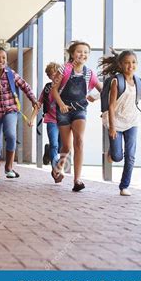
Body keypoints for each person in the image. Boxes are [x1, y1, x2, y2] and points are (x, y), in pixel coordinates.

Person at [99, 49, 141, 196]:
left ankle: (124, 186)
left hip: (132, 121)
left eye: (134, 62)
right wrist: (111, 127)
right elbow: (111, 106)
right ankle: (111, 154)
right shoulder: (117, 81)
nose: (131, 65)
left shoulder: (139, 82)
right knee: (117, 157)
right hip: (116, 122)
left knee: (130, 155)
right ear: (120, 64)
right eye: (127, 63)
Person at [0, 46, 39, 184]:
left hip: (10, 111)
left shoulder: (11, 74)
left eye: (3, 58)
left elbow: (25, 86)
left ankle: (9, 166)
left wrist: (34, 100)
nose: (1, 60)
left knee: (11, 136)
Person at [51, 41, 102, 191]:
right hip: (63, 110)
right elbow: (54, 90)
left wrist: (96, 96)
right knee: (66, 146)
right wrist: (60, 104)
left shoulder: (89, 73)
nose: (83, 54)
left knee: (79, 141)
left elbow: (102, 89)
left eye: (86, 52)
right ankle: (59, 166)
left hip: (80, 110)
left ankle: (77, 180)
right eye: (79, 51)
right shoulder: (64, 69)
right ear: (72, 54)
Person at [28, 62, 63, 169]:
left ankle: (48, 151)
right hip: (51, 120)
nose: (52, 77)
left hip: (65, 121)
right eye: (49, 75)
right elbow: (38, 104)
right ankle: (55, 168)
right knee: (54, 144)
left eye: (53, 74)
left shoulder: (66, 86)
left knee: (61, 147)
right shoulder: (48, 88)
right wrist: (32, 119)